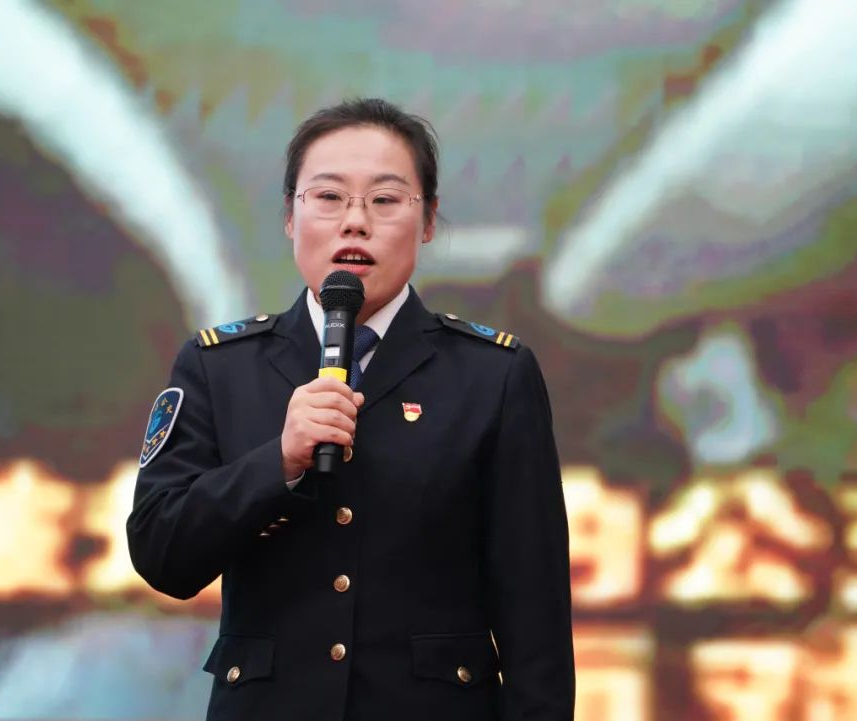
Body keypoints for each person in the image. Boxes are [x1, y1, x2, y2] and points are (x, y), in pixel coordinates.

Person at [127, 98, 574, 721]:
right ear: (290, 217)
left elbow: (536, 620)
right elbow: (161, 555)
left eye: (385, 200)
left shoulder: (492, 375)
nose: (355, 222)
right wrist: (278, 463)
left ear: (429, 220)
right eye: (329, 197)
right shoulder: (219, 367)